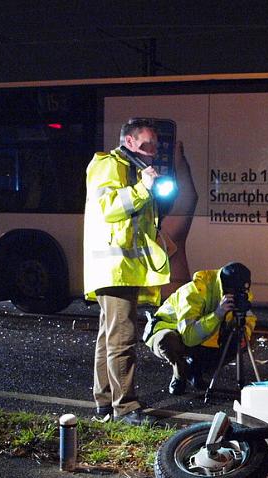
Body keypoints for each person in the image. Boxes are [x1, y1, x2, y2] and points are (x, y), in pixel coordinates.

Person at [84, 118, 170, 425]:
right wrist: (143, 188)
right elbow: (108, 208)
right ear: (129, 142)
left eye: (155, 147)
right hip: (114, 266)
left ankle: (105, 401)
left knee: (109, 337)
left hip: (123, 266)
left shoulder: (135, 169)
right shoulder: (109, 165)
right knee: (122, 338)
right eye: (146, 146)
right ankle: (126, 408)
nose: (152, 152)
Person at [144, 262, 257, 395]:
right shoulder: (195, 291)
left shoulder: (240, 293)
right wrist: (217, 314)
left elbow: (249, 319)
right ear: (226, 288)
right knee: (168, 340)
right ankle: (180, 372)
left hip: (202, 334)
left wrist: (244, 336)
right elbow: (189, 337)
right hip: (171, 330)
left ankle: (196, 369)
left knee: (240, 340)